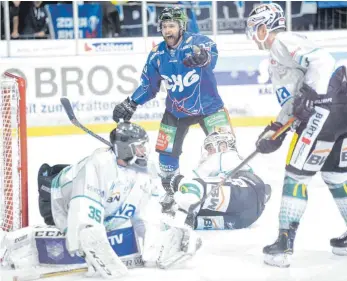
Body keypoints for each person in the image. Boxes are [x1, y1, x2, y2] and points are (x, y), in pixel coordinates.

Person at [0, 122, 201, 277]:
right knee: (86, 230)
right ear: (125, 149)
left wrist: (159, 237)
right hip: (56, 201)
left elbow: (147, 211)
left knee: (135, 215)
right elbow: (82, 205)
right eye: (139, 148)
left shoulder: (143, 169)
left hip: (107, 208)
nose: (144, 152)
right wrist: (84, 234)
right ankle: (13, 244)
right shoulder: (99, 164)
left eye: (144, 147)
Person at [246, 3, 347, 268]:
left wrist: (312, 95)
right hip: (339, 114)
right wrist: (276, 130)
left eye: (254, 28)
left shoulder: (282, 41)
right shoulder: (279, 56)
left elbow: (323, 61)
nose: (252, 34)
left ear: (263, 27)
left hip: (324, 112)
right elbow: (294, 101)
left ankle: (283, 244)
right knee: (335, 176)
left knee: (296, 176)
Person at [112, 6, 236, 211]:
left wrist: (203, 58)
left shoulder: (197, 42)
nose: (167, 31)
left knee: (225, 149)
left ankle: (231, 189)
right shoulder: (156, 54)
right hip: (175, 111)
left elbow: (211, 53)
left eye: (172, 26)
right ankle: (171, 193)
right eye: (164, 26)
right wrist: (131, 102)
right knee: (166, 156)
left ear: (181, 27)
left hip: (210, 107)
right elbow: (148, 86)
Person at [165, 131, 272, 231]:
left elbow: (192, 180)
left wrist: (176, 182)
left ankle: (180, 224)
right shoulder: (236, 161)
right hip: (250, 216)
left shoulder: (222, 155)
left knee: (189, 186)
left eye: (210, 148)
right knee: (196, 219)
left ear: (223, 146)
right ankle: (185, 224)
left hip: (242, 192)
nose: (209, 153)